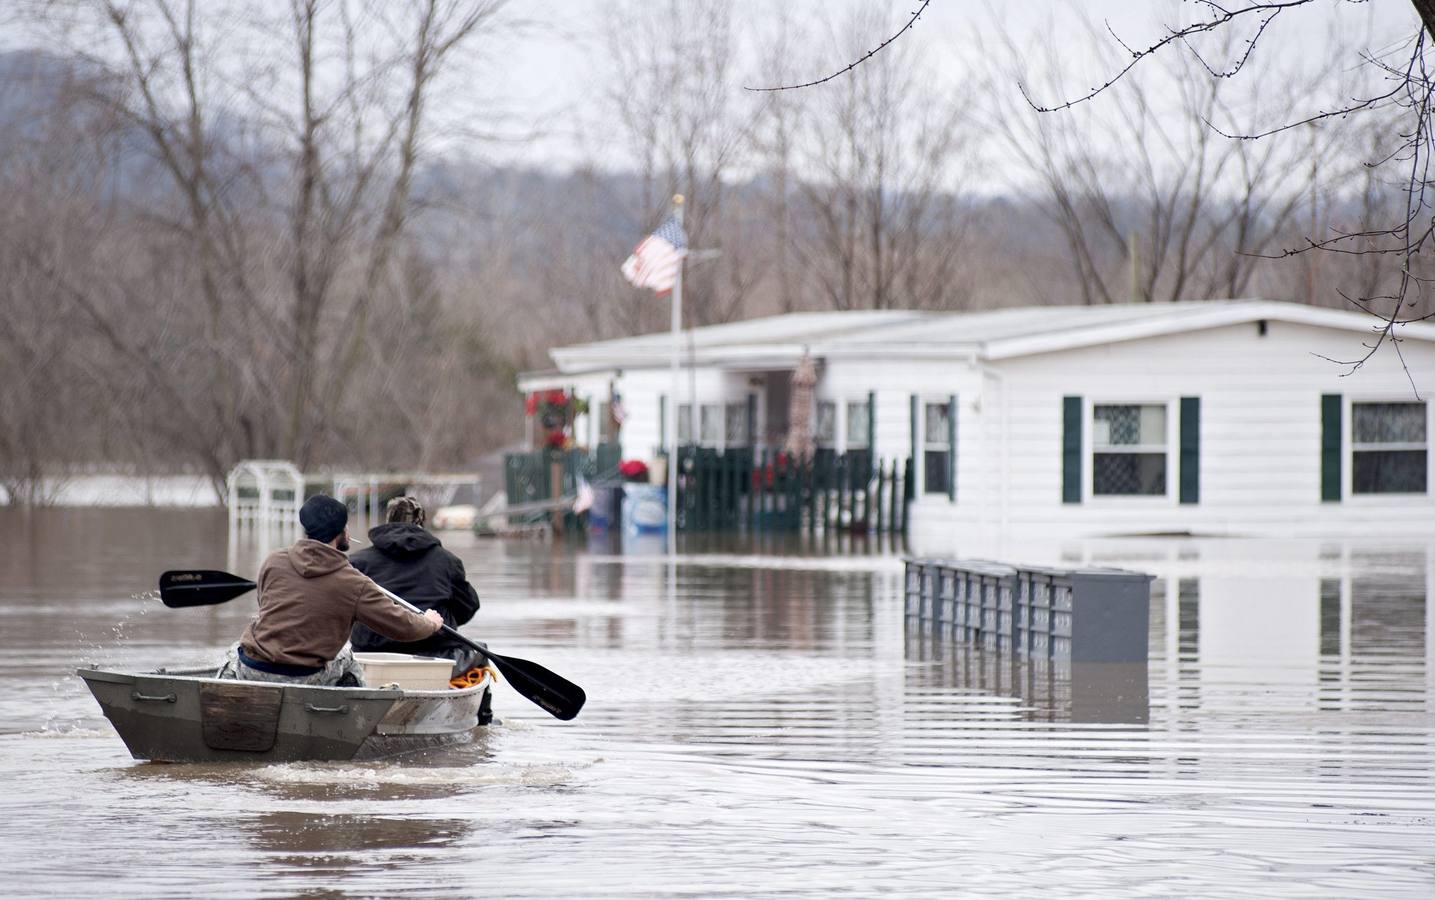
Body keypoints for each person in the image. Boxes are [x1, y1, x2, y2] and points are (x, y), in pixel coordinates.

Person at [217, 494, 443, 686]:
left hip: (253, 669)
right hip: (306, 677)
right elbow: (403, 627)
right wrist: (430, 623)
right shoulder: (355, 583)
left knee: (235, 649)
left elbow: (264, 603)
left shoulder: (273, 561)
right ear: (341, 532)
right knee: (347, 656)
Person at [349, 496, 485, 678]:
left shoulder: (357, 562)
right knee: (480, 653)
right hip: (434, 651)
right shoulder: (447, 561)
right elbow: (468, 607)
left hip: (371, 654)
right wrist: (439, 619)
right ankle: (483, 707)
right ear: (421, 523)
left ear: (388, 521)